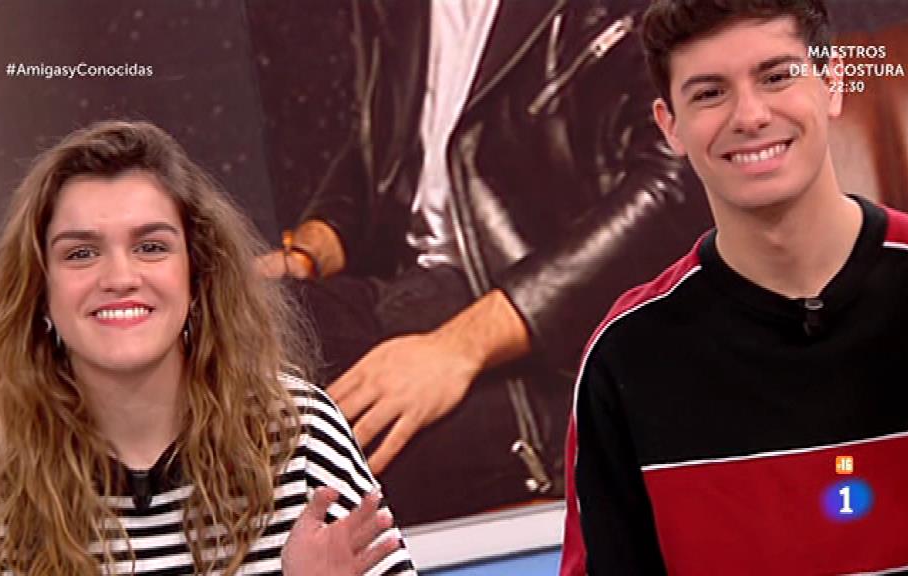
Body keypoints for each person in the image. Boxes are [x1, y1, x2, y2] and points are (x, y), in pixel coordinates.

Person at [258, 0, 714, 524]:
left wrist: (458, 348)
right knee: (234, 341)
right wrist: (309, 252)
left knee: (343, 473)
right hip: (413, 293)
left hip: (560, 338)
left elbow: (676, 185)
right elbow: (381, 150)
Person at [560, 0, 908, 574]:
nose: (749, 115)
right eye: (709, 93)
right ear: (670, 126)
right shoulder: (626, 357)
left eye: (776, 77)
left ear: (833, 84)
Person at [0, 120, 416, 576]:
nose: (120, 278)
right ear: (40, 292)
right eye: (81, 253)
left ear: (197, 276)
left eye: (151, 247)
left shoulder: (300, 436)